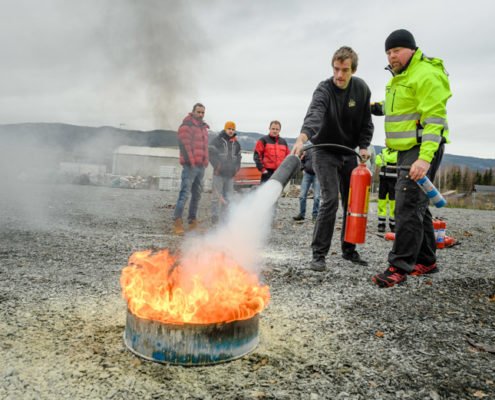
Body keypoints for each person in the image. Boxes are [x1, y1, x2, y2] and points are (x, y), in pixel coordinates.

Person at [370, 29, 452, 288]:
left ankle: (398, 267)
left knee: (405, 205)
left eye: (395, 51)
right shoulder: (402, 76)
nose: (391, 56)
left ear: (411, 49)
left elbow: (434, 119)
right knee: (417, 205)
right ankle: (426, 260)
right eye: (388, 52)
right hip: (407, 150)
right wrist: (377, 108)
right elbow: (402, 107)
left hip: (422, 148)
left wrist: (425, 159)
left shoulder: (426, 73)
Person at [292, 46, 374, 272]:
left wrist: (364, 145)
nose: (339, 75)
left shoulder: (361, 89)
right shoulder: (324, 89)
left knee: (352, 201)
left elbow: (367, 121)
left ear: (353, 70)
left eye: (344, 70)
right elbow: (315, 114)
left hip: (348, 151)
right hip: (324, 150)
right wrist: (302, 138)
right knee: (330, 200)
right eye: (336, 69)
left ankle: (349, 250)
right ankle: (319, 254)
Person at [172, 103, 209, 235]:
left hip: (200, 166)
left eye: (202, 112)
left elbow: (205, 146)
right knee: (185, 194)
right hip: (190, 166)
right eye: (198, 112)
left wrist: (205, 161)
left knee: (197, 195)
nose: (201, 114)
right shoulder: (186, 126)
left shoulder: (203, 128)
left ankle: (192, 221)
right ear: (193, 112)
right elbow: (184, 145)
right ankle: (177, 222)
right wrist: (192, 163)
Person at [209, 121, 242, 224]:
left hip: (230, 175)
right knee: (216, 197)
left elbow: (239, 157)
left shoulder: (236, 143)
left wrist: (236, 168)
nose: (231, 131)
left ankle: (225, 219)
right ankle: (214, 217)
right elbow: (210, 154)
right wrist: (217, 166)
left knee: (228, 197)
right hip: (219, 174)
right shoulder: (217, 141)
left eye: (233, 129)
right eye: (229, 129)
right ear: (225, 129)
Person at [293, 147, 320, 223]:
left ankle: (315, 216)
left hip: (317, 175)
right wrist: (302, 169)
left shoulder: (322, 148)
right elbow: (301, 160)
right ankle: (301, 215)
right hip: (307, 175)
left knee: (317, 197)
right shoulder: (308, 148)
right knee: (302, 196)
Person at [375, 146, 398, 233]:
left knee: (393, 203)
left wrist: (385, 161)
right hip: (383, 180)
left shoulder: (399, 151)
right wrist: (389, 162)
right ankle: (381, 224)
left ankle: (393, 225)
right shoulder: (383, 150)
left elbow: (384, 160)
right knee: (382, 202)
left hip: (394, 181)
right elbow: (377, 160)